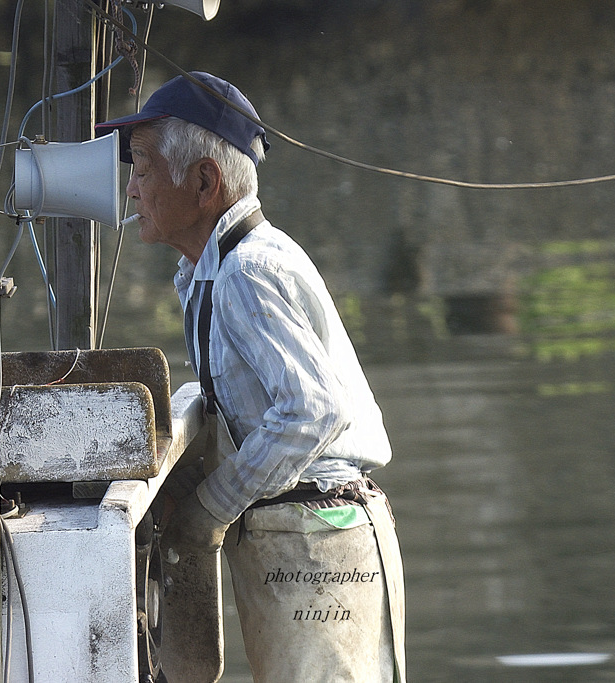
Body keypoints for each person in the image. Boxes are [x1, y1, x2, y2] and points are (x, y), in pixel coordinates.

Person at [96, 71, 406, 683]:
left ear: (205, 181)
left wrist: (208, 507)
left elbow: (312, 411)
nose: (132, 189)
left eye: (143, 167)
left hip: (319, 536)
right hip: (302, 535)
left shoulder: (247, 272)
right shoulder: (212, 273)